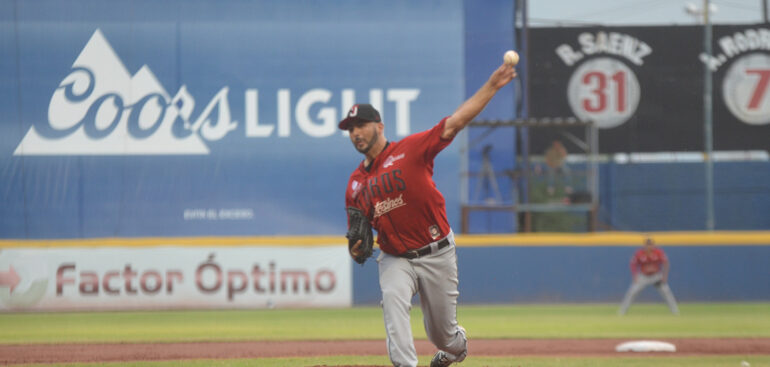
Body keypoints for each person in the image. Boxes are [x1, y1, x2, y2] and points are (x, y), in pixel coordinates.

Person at [341, 63, 517, 367]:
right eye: (351, 129)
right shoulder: (356, 184)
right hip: (395, 256)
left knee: (442, 335)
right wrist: (356, 247)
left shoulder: (411, 150)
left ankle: (455, 348)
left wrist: (492, 85)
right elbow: (358, 234)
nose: (356, 133)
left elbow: (456, 121)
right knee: (393, 301)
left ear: (380, 127)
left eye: (362, 125)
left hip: (437, 252)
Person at [618, 237, 680, 315]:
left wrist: (664, 276)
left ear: (653, 245)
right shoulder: (639, 253)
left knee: (666, 292)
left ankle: (675, 311)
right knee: (632, 292)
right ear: (644, 245)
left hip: (656, 276)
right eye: (647, 245)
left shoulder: (658, 252)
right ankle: (622, 311)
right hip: (643, 276)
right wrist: (635, 275)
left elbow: (666, 263)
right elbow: (633, 264)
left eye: (650, 245)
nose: (649, 246)